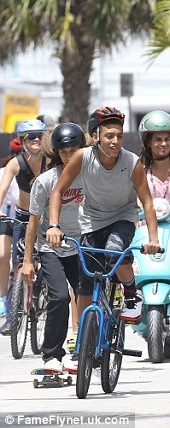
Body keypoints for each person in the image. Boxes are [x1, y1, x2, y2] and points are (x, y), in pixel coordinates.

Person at [46, 107, 161, 332]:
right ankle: (81, 341)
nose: (115, 141)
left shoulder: (131, 162)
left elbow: (147, 202)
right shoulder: (82, 157)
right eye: (109, 136)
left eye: (119, 136)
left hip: (122, 218)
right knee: (85, 284)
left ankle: (131, 293)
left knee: (113, 251)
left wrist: (153, 239)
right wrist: (53, 226)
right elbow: (57, 192)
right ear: (96, 136)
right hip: (91, 222)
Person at [21, 123, 87, 372]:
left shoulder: (92, 175)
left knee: (88, 297)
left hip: (82, 247)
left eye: (74, 150)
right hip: (52, 250)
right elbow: (33, 223)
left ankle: (86, 348)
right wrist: (28, 261)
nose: (69, 157)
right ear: (56, 154)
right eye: (64, 152)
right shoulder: (45, 182)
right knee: (59, 297)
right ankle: (52, 355)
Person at [0, 118, 47, 336]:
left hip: (47, 218)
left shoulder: (52, 160)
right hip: (23, 217)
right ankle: (11, 318)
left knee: (47, 262)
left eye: (40, 135)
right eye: (31, 136)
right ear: (23, 141)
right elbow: (2, 188)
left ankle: (41, 295)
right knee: (17, 266)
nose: (37, 140)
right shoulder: (16, 163)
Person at [0, 138, 21, 317]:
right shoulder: (3, 173)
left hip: (26, 220)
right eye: (16, 154)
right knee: (3, 254)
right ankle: (3, 295)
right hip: (7, 220)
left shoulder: (35, 172)